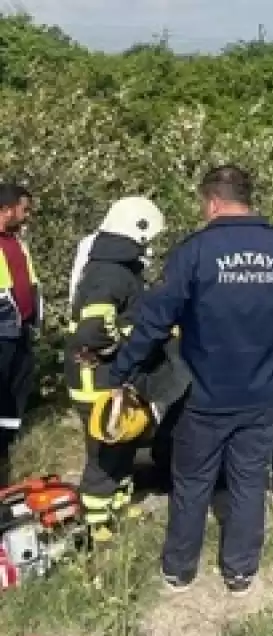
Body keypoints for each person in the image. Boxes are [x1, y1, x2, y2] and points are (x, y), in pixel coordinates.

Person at [108, 165, 273, 595]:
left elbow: (154, 319)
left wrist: (122, 371)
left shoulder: (195, 252)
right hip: (263, 393)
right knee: (248, 480)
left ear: (212, 202)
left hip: (204, 395)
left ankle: (179, 571)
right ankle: (241, 571)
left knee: (192, 482)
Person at [64, 196, 166, 543]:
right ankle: (95, 522)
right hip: (97, 379)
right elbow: (93, 331)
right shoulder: (108, 274)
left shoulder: (120, 268)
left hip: (112, 376)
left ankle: (118, 505)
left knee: (123, 440)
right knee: (104, 449)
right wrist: (126, 347)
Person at [0, 183, 41, 475]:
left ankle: (7, 444)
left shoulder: (15, 241)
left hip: (21, 326)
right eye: (24, 209)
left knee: (18, 388)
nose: (27, 215)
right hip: (2, 329)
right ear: (8, 208)